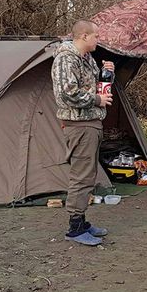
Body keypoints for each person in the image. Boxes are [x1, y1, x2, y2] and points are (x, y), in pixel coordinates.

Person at [51, 20, 115, 246]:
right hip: (79, 125)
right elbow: (67, 94)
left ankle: (82, 221)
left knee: (88, 174)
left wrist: (108, 75)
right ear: (84, 36)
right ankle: (75, 228)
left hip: (92, 121)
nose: (99, 39)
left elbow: (97, 86)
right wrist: (98, 100)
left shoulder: (87, 59)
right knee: (81, 175)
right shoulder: (65, 59)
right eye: (96, 35)